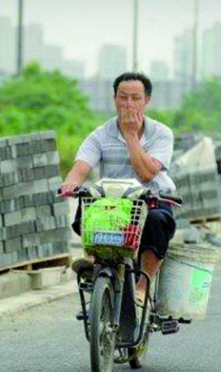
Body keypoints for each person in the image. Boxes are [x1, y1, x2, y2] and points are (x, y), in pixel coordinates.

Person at [60, 72, 177, 305]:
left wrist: (131, 135)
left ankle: (142, 287)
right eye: (123, 97)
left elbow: (146, 173)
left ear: (147, 101)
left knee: (156, 222)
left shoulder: (161, 134)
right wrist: (71, 183)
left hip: (150, 199)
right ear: (115, 98)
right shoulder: (100, 134)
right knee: (87, 210)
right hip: (114, 201)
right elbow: (81, 167)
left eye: (136, 98)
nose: (129, 104)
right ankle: (94, 263)